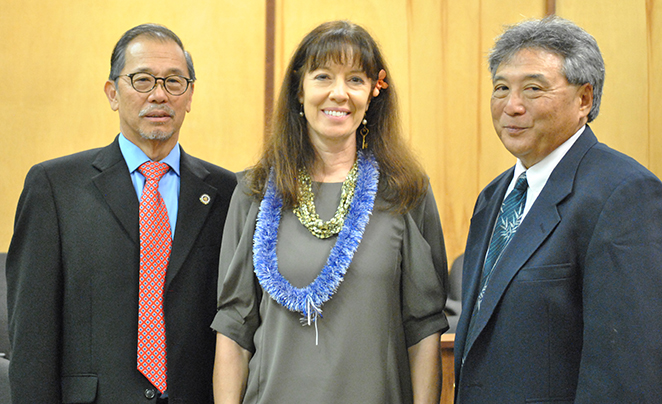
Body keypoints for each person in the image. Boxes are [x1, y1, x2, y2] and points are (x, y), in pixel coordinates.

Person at [211, 20, 448, 404]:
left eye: (355, 79)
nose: (339, 94)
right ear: (298, 90)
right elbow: (233, 330)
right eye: (323, 77)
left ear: (373, 93)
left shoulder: (405, 191)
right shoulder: (253, 191)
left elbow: (423, 329)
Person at [6, 24, 237, 403]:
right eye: (142, 80)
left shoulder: (227, 193)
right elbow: (32, 336)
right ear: (113, 93)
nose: (159, 95)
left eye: (174, 82)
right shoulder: (55, 186)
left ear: (190, 95)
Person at [454, 16, 662, 403]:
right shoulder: (493, 196)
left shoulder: (623, 194)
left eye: (533, 89)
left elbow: (628, 369)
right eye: (501, 88)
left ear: (584, 99)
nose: (511, 106)